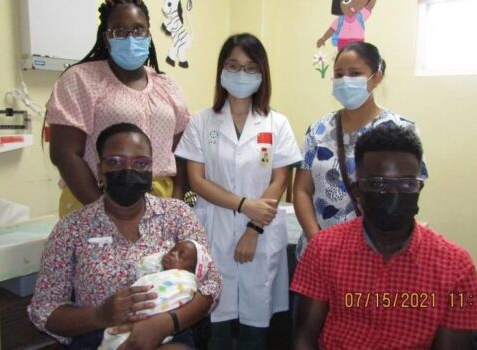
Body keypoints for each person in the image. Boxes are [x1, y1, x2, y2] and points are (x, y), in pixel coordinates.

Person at [29, 123, 221, 350]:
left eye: (140, 163)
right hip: (96, 337)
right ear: (100, 171)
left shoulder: (177, 215)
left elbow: (211, 284)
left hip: (169, 332)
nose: (128, 171)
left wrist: (164, 324)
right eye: (116, 162)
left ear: (151, 170)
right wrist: (99, 315)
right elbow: (45, 309)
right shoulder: (71, 229)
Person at [291, 126, 477, 350]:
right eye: (379, 184)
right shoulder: (324, 249)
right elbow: (304, 338)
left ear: (419, 188)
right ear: (357, 191)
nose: (394, 194)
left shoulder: (458, 268)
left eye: (407, 184)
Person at [175, 33, 302, 350]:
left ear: (262, 74)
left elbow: (279, 181)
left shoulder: (277, 123)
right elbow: (197, 180)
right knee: (214, 320)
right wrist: (245, 205)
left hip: (260, 232)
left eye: (249, 67)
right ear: (221, 71)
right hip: (214, 230)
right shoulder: (202, 121)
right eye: (233, 66)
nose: (241, 74)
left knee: (255, 327)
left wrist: (253, 228)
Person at [46, 0, 189, 218]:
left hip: (160, 204)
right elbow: (64, 154)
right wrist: (107, 214)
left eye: (138, 30)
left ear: (149, 35)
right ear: (107, 37)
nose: (130, 38)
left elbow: (181, 152)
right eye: (120, 31)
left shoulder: (167, 86)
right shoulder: (81, 79)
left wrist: (175, 205)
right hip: (94, 199)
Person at [293, 41, 428, 259]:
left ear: (376, 77)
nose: (345, 80)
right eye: (339, 74)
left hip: (374, 254)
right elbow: (301, 190)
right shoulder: (318, 129)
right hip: (318, 252)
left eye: (355, 73)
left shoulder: (401, 129)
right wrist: (316, 240)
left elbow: (408, 192)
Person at [99, 239, 213, 350]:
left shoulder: (185, 280)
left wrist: (161, 324)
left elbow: (209, 286)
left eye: (181, 256)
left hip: (167, 329)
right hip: (115, 322)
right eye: (173, 249)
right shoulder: (156, 274)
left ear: (194, 270)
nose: (173, 253)